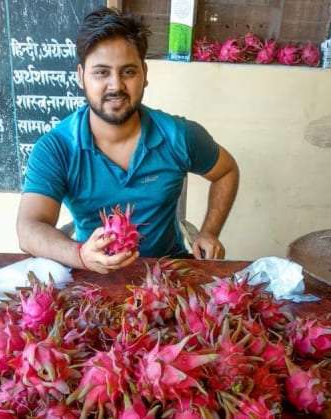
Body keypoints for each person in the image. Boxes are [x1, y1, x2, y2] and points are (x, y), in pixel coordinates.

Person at [16, 7, 239, 275]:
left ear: (144, 74)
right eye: (101, 72)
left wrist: (209, 232)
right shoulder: (57, 148)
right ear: (80, 76)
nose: (115, 85)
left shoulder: (179, 135)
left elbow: (226, 171)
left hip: (169, 274)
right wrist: (80, 255)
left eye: (128, 72)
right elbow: (29, 228)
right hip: (92, 277)